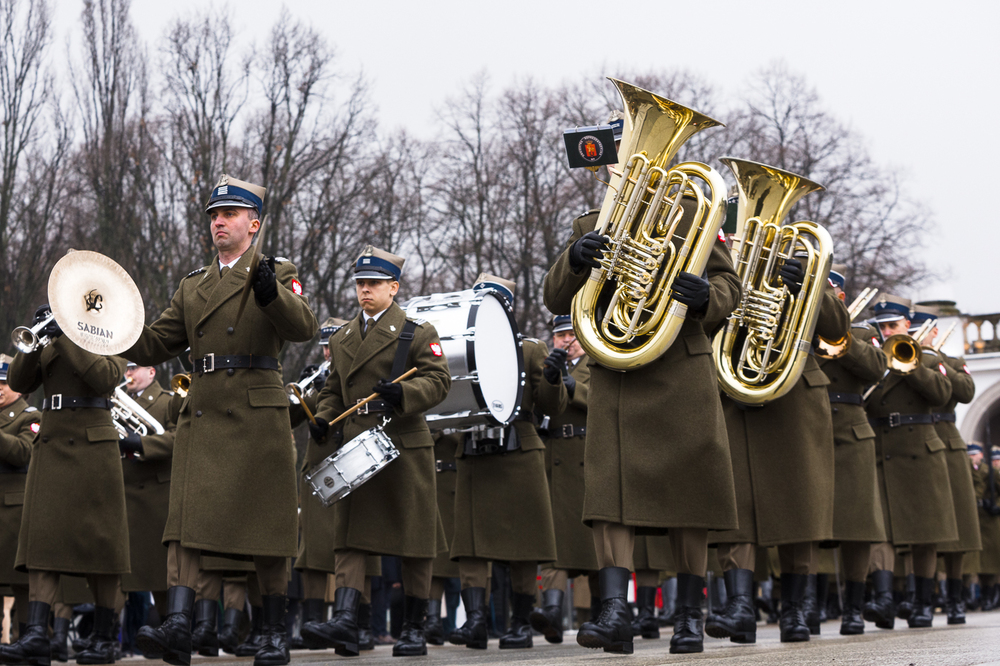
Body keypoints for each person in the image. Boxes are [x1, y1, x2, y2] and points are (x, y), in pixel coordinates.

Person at [124, 174, 318, 666]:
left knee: (267, 525)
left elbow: (303, 328)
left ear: (253, 223)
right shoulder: (194, 286)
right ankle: (179, 624)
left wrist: (272, 292)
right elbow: (153, 344)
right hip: (205, 410)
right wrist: (103, 325)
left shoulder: (275, 271)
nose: (218, 222)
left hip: (256, 413)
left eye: (229, 214)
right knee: (186, 522)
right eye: (213, 215)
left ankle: (273, 630)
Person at [543, 175, 742, 654]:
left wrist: (707, 298)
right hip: (617, 369)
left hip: (681, 370)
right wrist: (573, 259)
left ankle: (690, 617)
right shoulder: (592, 223)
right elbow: (555, 297)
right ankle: (615, 611)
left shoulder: (695, 215)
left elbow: (729, 284)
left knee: (690, 500)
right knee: (610, 496)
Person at [301, 245, 451, 658]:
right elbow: (334, 390)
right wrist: (323, 420)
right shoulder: (346, 336)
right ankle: (347, 619)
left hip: (402, 442)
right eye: (360, 284)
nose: (364, 291)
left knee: (414, 540)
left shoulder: (416, 332)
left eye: (373, 284)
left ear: (393, 287)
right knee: (350, 537)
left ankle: (414, 627)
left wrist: (404, 392)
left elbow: (439, 381)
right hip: (355, 446)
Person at [709, 261, 849, 644]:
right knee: (736, 506)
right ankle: (740, 605)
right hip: (733, 386)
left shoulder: (803, 260)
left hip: (794, 393)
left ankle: (796, 608)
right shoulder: (714, 257)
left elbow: (836, 328)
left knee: (798, 505)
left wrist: (810, 284)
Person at [3, 307, 129, 665]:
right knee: (42, 542)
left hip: (94, 443)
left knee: (103, 544)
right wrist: (36, 340)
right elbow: (18, 382)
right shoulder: (50, 337)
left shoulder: (113, 331)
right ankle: (35, 636)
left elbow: (104, 377)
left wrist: (67, 336)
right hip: (54, 441)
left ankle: (105, 638)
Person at [447, 274, 566, 651]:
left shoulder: (529, 349)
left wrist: (551, 379)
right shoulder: (459, 348)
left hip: (518, 452)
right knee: (470, 545)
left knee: (523, 545)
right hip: (473, 451)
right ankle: (476, 622)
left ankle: (519, 622)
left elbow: (552, 406)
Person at [863, 295, 956, 629]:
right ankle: (885, 599)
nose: (888, 331)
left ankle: (923, 603)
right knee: (880, 530)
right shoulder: (873, 358)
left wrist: (912, 365)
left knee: (923, 533)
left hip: (919, 447)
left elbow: (943, 395)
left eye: (894, 325)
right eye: (883, 326)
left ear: (907, 325)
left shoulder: (927, 359)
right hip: (883, 449)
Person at [814, 267, 887, 635]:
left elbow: (877, 367)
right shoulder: (794, 323)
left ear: (838, 296)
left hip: (850, 429)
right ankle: (806, 605)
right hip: (807, 425)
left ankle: (854, 609)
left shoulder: (861, 331)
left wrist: (840, 337)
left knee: (857, 526)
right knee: (807, 520)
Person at [529, 314, 599, 645]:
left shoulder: (600, 362)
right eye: (559, 335)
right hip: (554, 458)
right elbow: (542, 406)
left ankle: (602, 614)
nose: (565, 340)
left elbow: (607, 405)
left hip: (589, 456)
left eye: (571, 333)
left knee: (597, 546)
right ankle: (552, 613)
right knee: (553, 543)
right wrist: (553, 378)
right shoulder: (548, 368)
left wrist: (576, 387)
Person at [913, 306, 980, 625]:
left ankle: (955, 600)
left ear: (935, 333)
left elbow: (967, 391)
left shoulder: (950, 362)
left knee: (959, 527)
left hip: (948, 441)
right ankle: (923, 601)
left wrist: (936, 362)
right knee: (924, 527)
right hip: (918, 443)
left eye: (922, 331)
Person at [118, 363, 178, 637]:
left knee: (160, 573)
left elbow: (181, 438)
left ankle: (169, 633)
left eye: (134, 368)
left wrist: (143, 444)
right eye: (126, 368)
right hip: (122, 493)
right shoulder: (116, 402)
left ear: (151, 372)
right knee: (117, 573)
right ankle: (105, 637)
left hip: (156, 496)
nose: (128, 373)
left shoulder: (168, 400)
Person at [0, 354, 40, 647]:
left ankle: (27, 640)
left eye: (4, 381)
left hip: (13, 512)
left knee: (22, 584)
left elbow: (24, 452)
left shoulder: (31, 417)